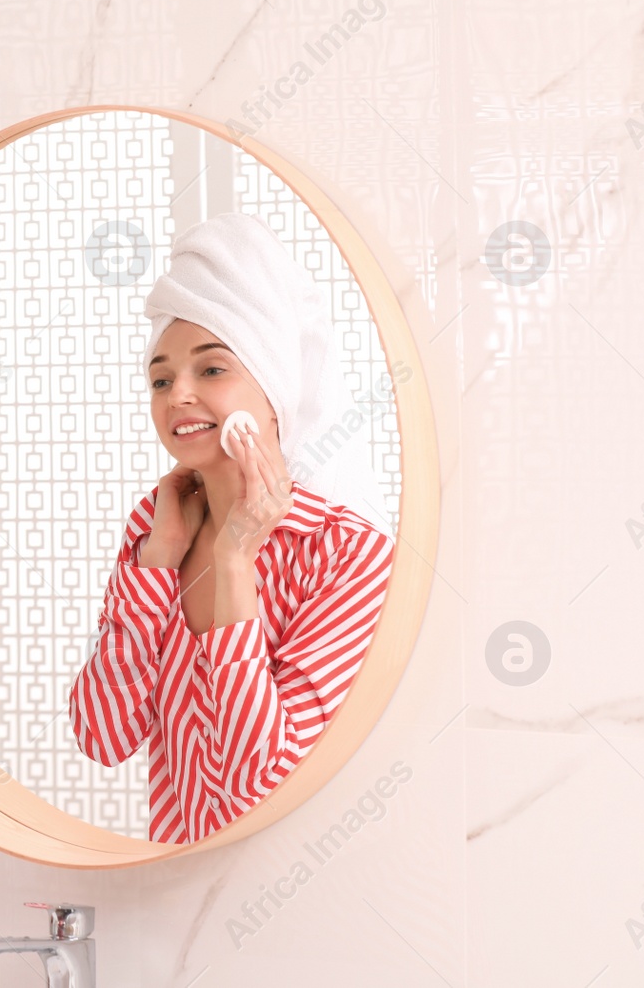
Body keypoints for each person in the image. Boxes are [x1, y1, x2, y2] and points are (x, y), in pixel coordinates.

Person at [68, 211, 396, 845]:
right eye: (160, 378)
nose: (177, 396)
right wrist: (157, 566)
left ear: (275, 386)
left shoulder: (347, 551)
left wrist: (236, 560)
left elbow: (259, 785)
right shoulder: (156, 529)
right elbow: (102, 736)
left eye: (212, 369)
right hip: (183, 894)